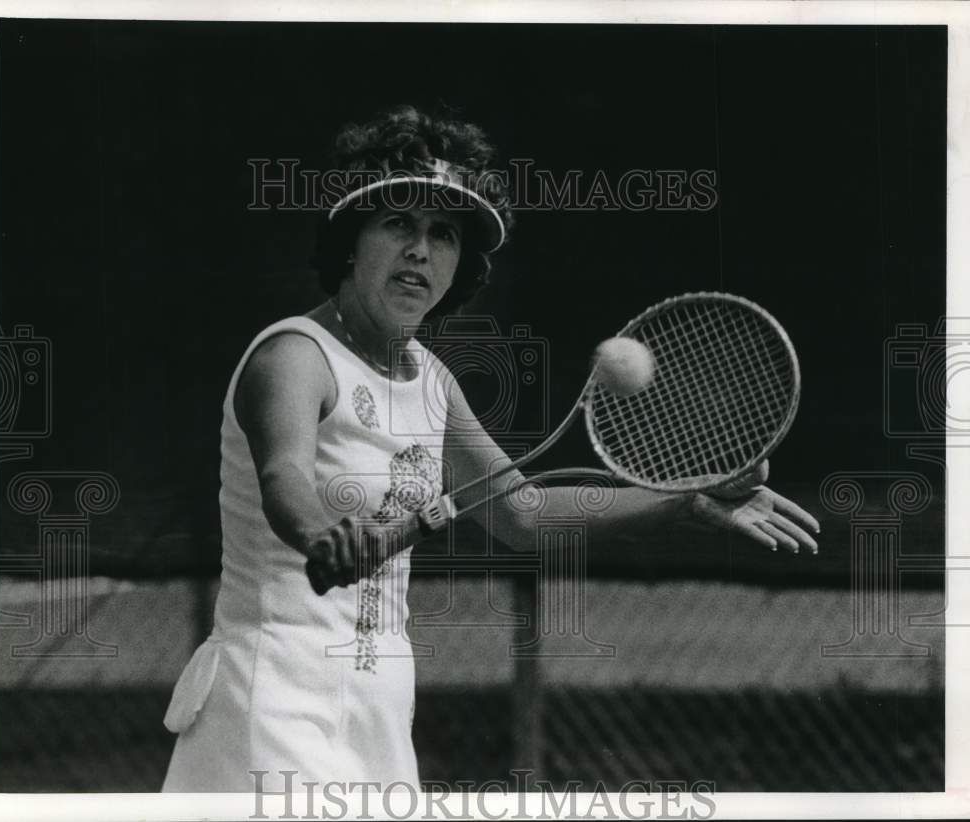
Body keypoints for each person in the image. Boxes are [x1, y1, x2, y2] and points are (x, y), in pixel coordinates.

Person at [161, 105, 819, 792]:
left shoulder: (432, 383)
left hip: (380, 709)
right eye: (398, 223)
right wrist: (323, 534)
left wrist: (684, 500)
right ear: (350, 242)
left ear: (458, 267)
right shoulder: (294, 354)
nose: (421, 250)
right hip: (269, 697)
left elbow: (522, 514)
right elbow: (283, 474)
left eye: (442, 235)